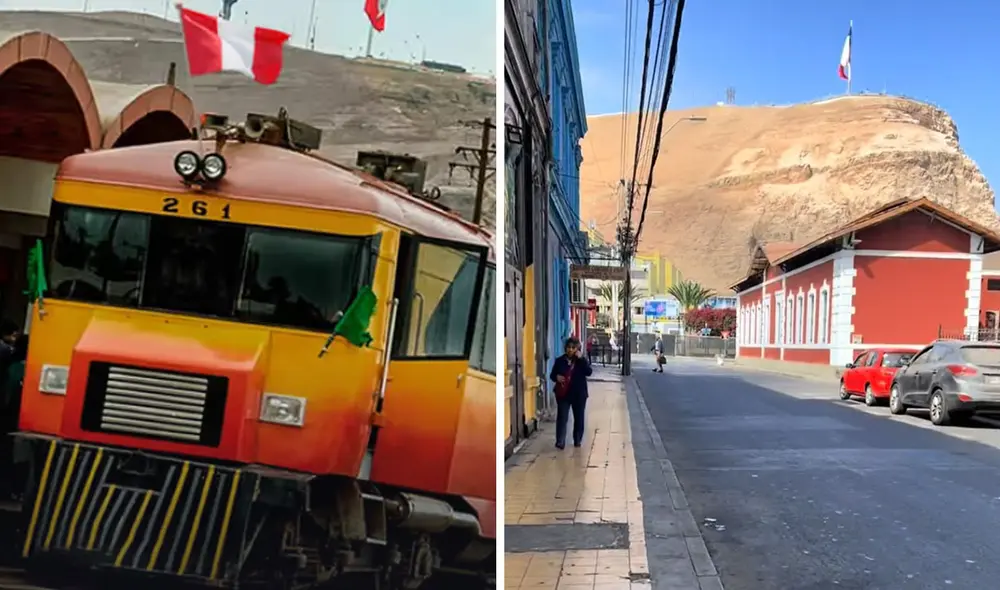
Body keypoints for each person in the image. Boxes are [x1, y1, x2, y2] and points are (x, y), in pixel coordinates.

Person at [550, 337, 592, 449]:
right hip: (564, 394)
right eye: (569, 347)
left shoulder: (581, 361)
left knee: (579, 418)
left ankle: (577, 440)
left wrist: (581, 359)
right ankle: (560, 441)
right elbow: (552, 375)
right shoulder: (560, 361)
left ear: (577, 349)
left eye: (573, 347)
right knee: (562, 417)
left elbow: (589, 372)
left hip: (579, 394)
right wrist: (557, 377)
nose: (571, 350)